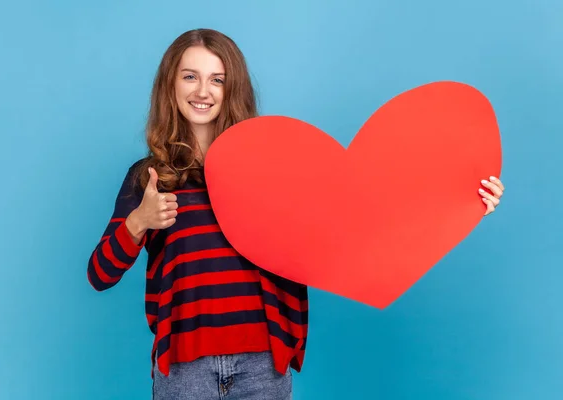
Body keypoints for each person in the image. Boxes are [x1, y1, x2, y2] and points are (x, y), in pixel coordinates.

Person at [86, 28, 505, 400]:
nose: (203, 90)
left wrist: (458, 201)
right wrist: (138, 222)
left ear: (232, 88)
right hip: (184, 369)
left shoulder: (271, 169)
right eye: (190, 76)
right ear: (171, 85)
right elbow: (99, 275)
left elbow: (354, 231)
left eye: (218, 79)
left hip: (263, 364)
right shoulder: (150, 178)